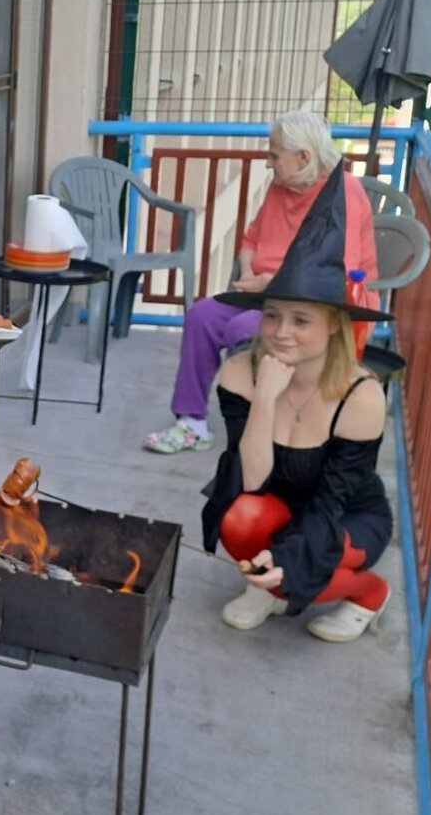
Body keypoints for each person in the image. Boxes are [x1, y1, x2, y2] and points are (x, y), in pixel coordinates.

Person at [199, 163, 394, 642]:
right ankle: (270, 586)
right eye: (272, 316)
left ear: (333, 326)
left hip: (346, 516)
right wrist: (266, 397)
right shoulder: (241, 372)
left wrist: (288, 557)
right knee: (240, 517)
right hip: (275, 503)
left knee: (308, 571)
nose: (281, 332)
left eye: (301, 320)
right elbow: (251, 480)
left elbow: (330, 503)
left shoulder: (361, 395)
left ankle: (368, 592)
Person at [143, 108, 378, 454]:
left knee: (244, 328)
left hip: (318, 305)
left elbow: (334, 273)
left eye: (274, 155)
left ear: (303, 157)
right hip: (265, 293)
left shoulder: (344, 193)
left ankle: (259, 430)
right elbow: (251, 238)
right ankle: (191, 422)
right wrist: (248, 272)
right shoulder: (280, 187)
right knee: (202, 316)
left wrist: (269, 283)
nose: (268, 163)